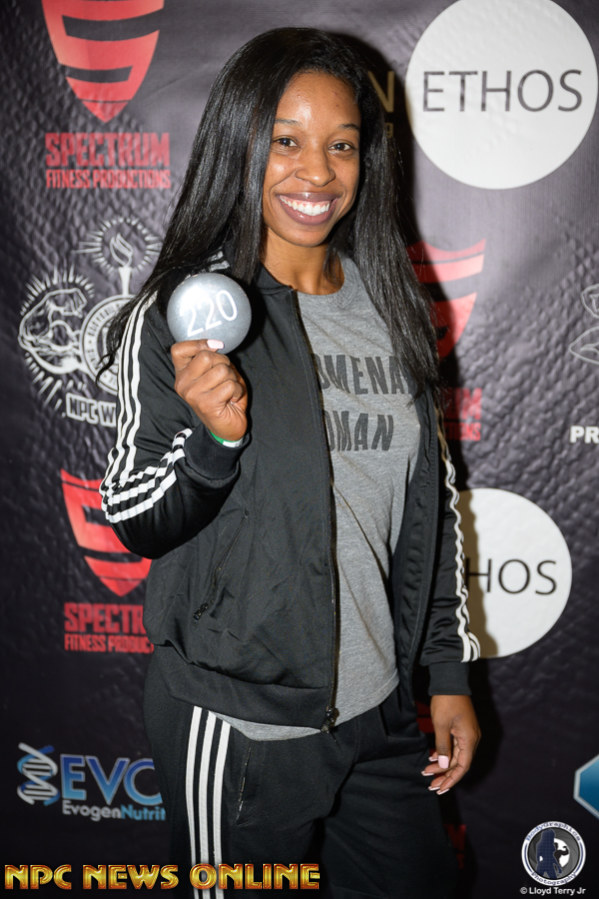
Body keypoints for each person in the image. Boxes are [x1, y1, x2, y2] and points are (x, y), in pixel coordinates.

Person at [100, 27, 481, 898]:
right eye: (285, 140)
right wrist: (214, 440)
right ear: (240, 142)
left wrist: (446, 672)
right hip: (242, 725)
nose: (316, 172)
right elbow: (134, 517)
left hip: (377, 714)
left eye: (340, 145)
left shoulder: (390, 303)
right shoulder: (184, 313)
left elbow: (427, 505)